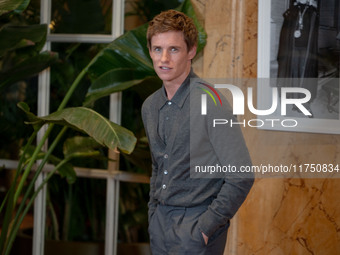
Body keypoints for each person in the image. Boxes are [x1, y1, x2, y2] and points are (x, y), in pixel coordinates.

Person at [141, 9, 254, 255]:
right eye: (157, 49)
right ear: (150, 51)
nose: (164, 59)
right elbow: (159, 166)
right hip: (160, 224)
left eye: (174, 49)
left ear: (191, 51)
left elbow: (241, 174)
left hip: (196, 226)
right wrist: (154, 212)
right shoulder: (150, 106)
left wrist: (206, 226)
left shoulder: (211, 102)